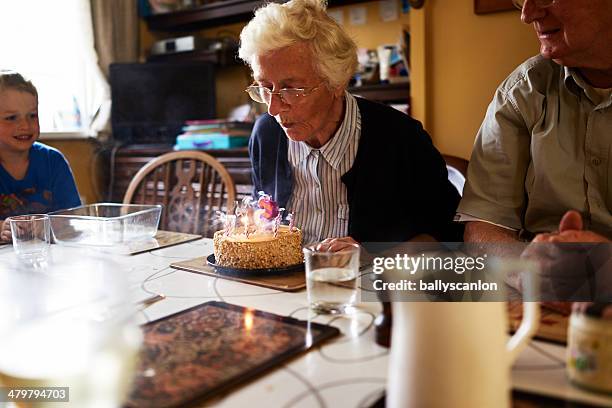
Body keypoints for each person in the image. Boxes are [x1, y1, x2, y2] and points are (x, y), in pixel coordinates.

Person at [238, 0, 461, 249]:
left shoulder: (401, 138)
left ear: (336, 82)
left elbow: (448, 232)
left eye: (292, 89)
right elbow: (264, 216)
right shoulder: (266, 135)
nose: (273, 108)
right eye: (265, 87)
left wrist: (374, 258)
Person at [458, 0, 612, 305]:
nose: (527, 14)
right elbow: (483, 227)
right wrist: (529, 271)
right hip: (536, 306)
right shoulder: (522, 91)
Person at [0, 71, 81, 242]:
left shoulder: (53, 161)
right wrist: (1, 228)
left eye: (32, 115)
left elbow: (71, 215)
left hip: (50, 258)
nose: (25, 125)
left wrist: (48, 223)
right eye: (11, 118)